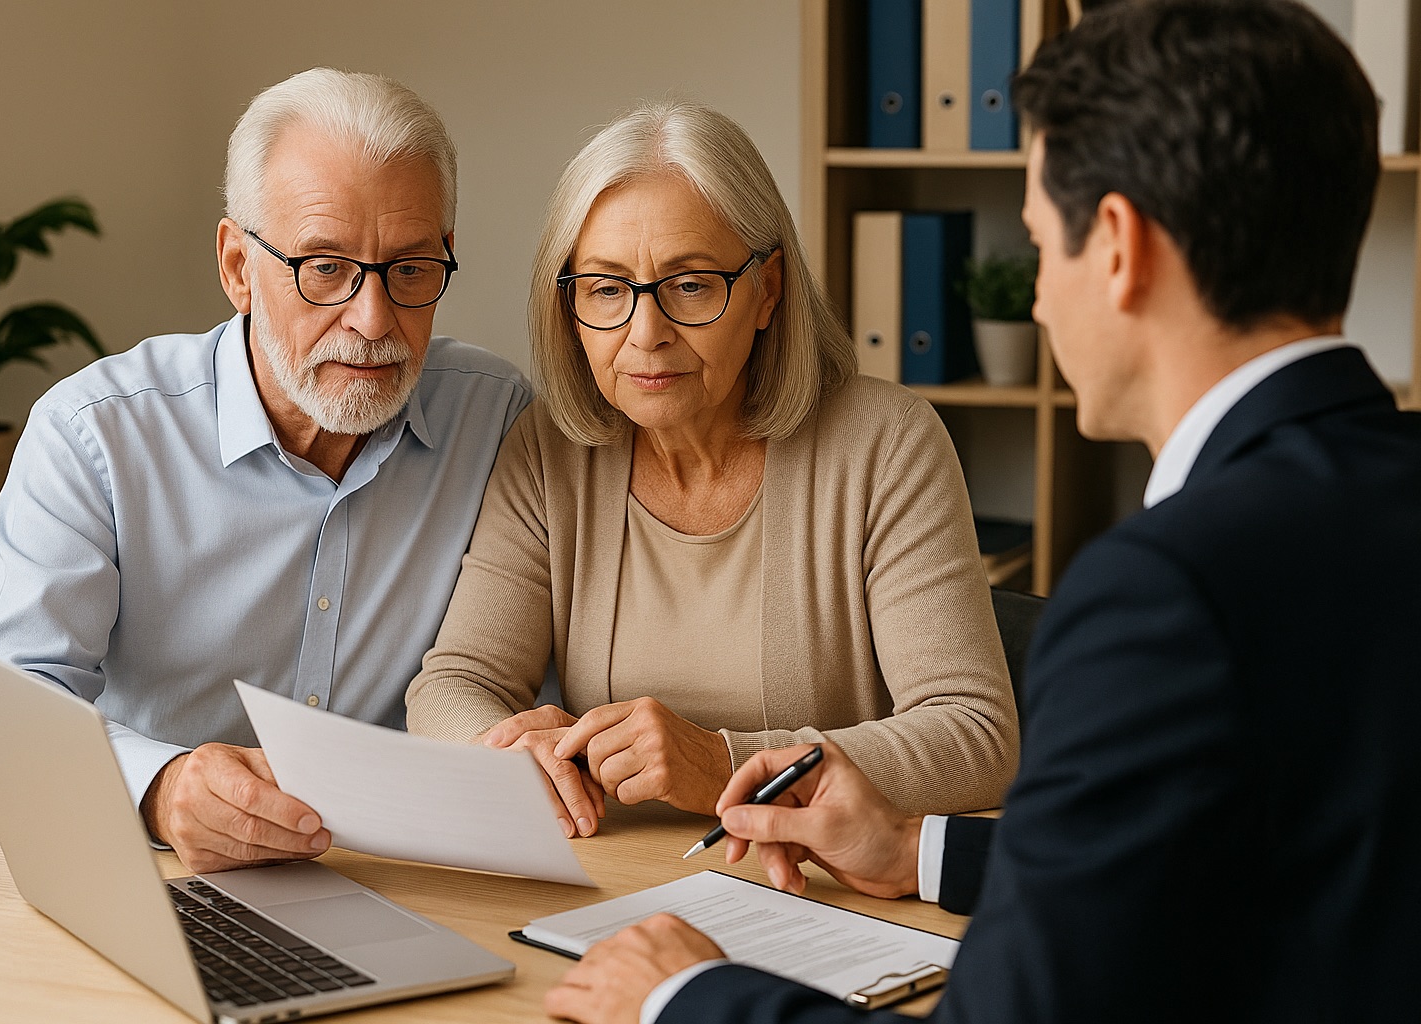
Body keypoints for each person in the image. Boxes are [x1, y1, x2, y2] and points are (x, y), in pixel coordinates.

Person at [541, 1, 1421, 1022]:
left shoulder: (1162, 595)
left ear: (1122, 248)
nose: (1039, 301)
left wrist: (681, 995)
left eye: (1043, 245)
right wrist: (923, 848)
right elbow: (1282, 861)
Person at [0, 68, 531, 874]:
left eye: (411, 269)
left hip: (409, 882)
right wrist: (160, 787)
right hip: (153, 877)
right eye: (325, 267)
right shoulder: (97, 436)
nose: (373, 319)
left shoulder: (496, 421)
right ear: (238, 267)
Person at [405, 101, 1019, 840]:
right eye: (605, 289)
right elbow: (453, 683)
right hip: (612, 884)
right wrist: (500, 751)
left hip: (817, 893)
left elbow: (976, 736)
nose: (646, 333)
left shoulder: (886, 444)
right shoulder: (549, 449)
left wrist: (726, 764)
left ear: (768, 290)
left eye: (691, 284)